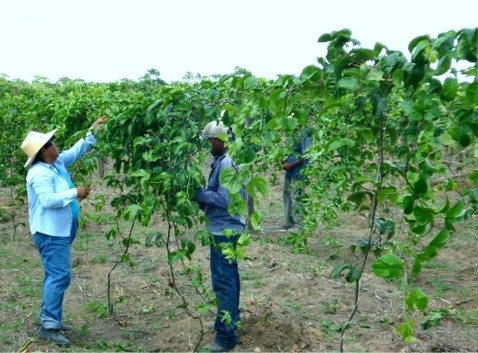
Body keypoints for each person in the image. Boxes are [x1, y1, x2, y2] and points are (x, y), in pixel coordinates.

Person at [21, 115, 107, 346]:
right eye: (52, 143)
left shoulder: (56, 164)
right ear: (44, 151)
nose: (56, 145)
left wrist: (93, 132)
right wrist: (74, 193)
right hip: (50, 233)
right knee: (59, 275)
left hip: (61, 230)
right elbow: (48, 200)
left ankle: (50, 318)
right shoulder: (39, 173)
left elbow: (76, 151)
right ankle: (49, 324)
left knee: (55, 274)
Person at [193, 120, 246, 352]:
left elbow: (224, 199)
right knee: (229, 279)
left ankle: (226, 337)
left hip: (224, 231)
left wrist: (199, 194)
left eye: (211, 141)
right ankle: (230, 322)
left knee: (223, 282)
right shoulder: (222, 162)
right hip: (225, 228)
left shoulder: (226, 164)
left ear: (220, 140)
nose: (209, 145)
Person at [281, 129, 312, 230]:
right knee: (287, 195)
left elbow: (306, 154)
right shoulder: (294, 132)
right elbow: (293, 151)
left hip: (299, 171)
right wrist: (286, 159)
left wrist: (290, 165)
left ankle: (298, 224)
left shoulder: (306, 133)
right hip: (290, 171)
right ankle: (288, 222)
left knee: (297, 197)